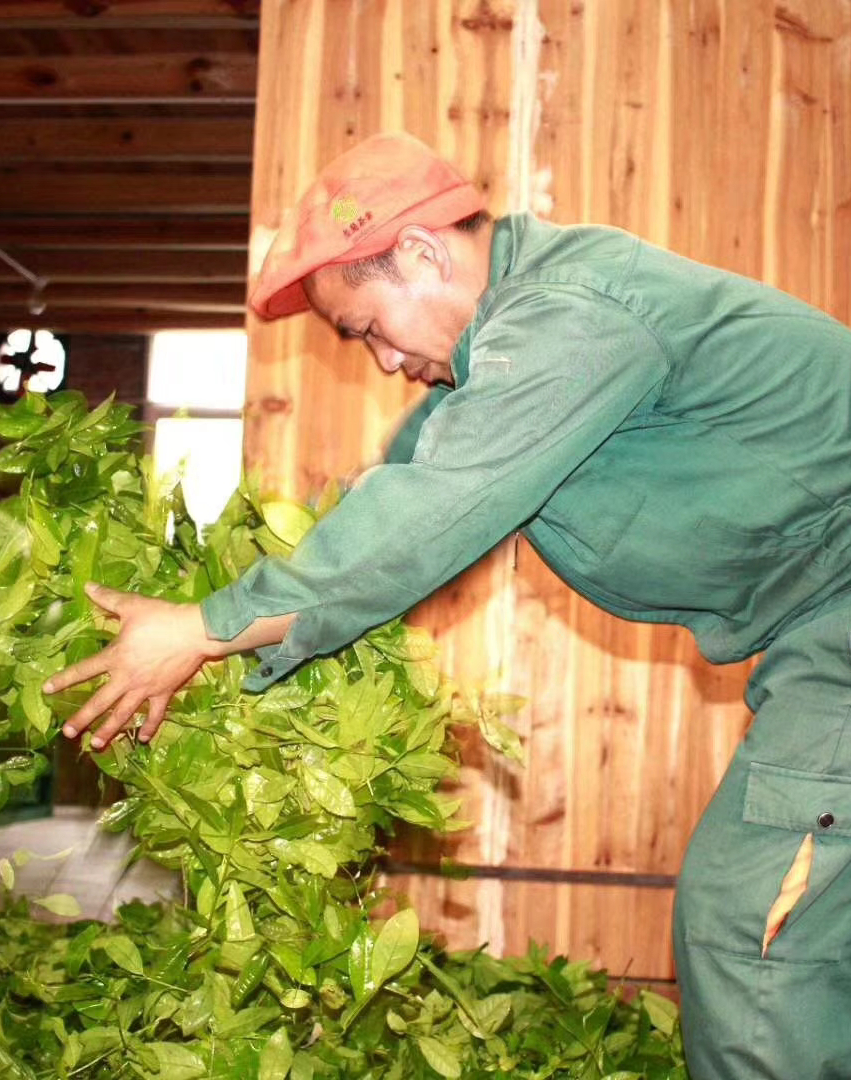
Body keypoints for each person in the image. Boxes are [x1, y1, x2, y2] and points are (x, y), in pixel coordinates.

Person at [45, 132, 851, 1079]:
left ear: (425, 253)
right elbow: (399, 484)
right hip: (820, 627)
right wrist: (258, 605)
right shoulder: (515, 335)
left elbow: (426, 513)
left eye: (369, 330)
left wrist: (204, 629)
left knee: (749, 926)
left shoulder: (567, 314)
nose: (383, 362)